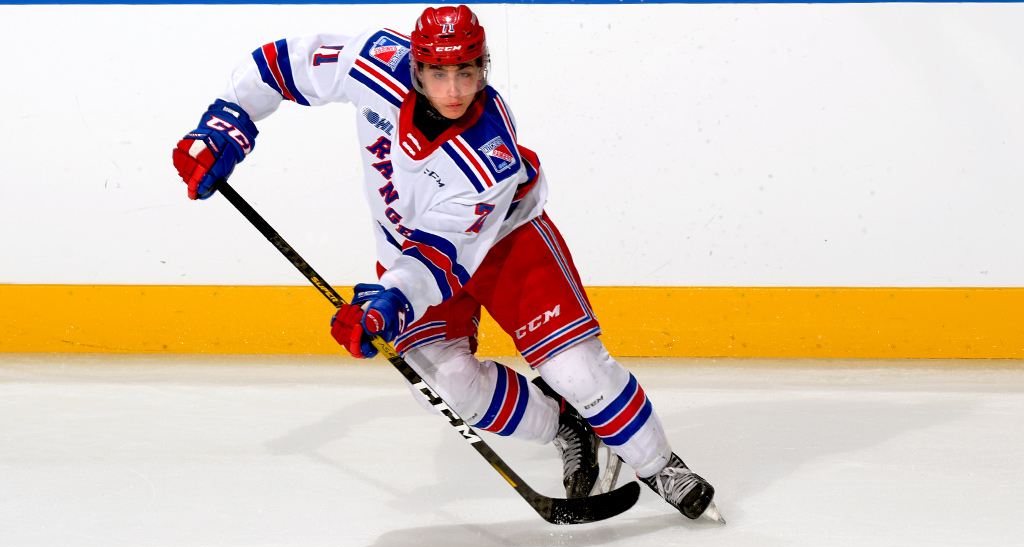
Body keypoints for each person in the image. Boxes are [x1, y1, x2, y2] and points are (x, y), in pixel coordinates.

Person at [173, 5, 720, 520]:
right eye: (438, 73)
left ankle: (659, 464)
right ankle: (567, 429)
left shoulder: (490, 154)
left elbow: (444, 253)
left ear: (484, 67)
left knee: (576, 370)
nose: (454, 90)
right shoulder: (374, 64)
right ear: (415, 66)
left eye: (466, 71)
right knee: (447, 384)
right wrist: (227, 121)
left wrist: (389, 303)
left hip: (506, 244)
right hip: (414, 258)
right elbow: (281, 64)